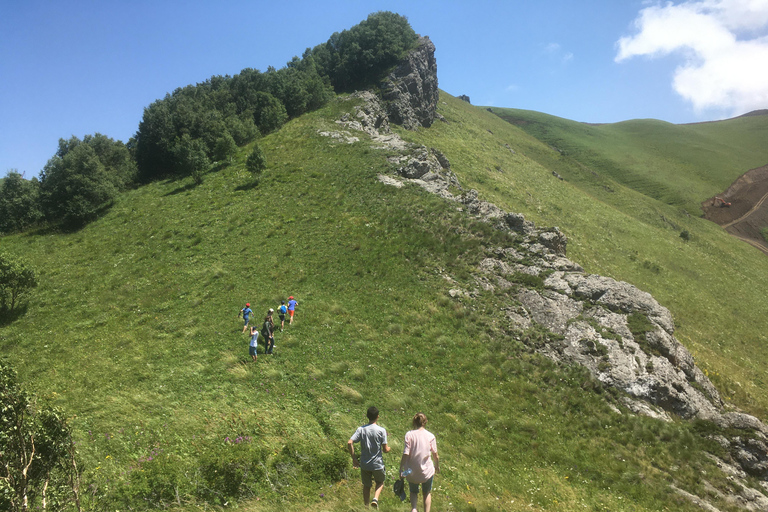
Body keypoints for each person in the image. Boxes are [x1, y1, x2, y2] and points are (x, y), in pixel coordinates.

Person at [348, 406, 390, 509]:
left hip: (365, 463)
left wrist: (354, 458)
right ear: (378, 416)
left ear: (367, 416)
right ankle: (375, 499)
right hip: (377, 463)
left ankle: (366, 507)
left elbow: (350, 442)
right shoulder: (381, 430)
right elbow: (385, 449)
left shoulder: (361, 429)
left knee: (366, 485)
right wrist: (389, 448)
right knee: (380, 482)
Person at [399, 413, 439, 512]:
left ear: (414, 422)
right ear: (425, 422)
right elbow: (435, 455)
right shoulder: (430, 436)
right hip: (426, 471)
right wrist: (437, 466)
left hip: (411, 471)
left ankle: (414, 509)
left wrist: (401, 468)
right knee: (426, 492)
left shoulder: (409, 434)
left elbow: (406, 453)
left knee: (413, 491)